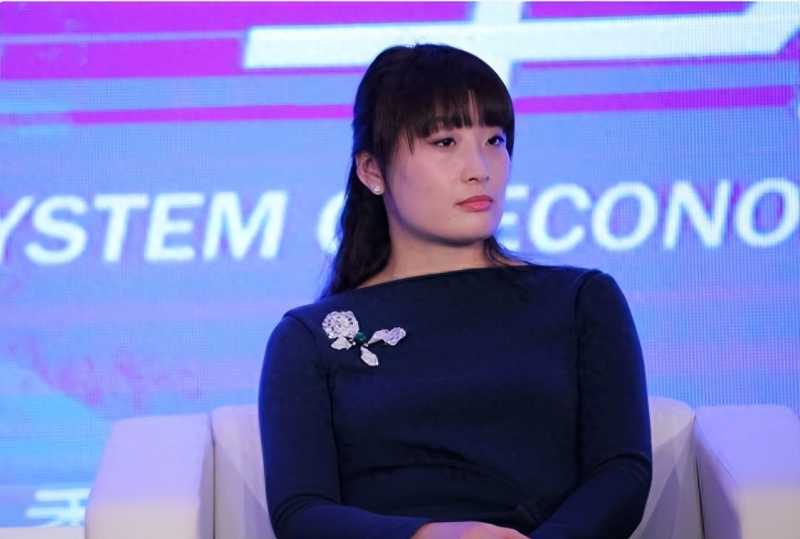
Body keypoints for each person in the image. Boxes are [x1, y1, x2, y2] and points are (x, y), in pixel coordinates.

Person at [258, 43, 652, 539]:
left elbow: (621, 472)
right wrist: (432, 536)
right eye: (445, 142)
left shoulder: (580, 300)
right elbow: (302, 512)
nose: (479, 168)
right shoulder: (310, 337)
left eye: (494, 140)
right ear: (372, 170)